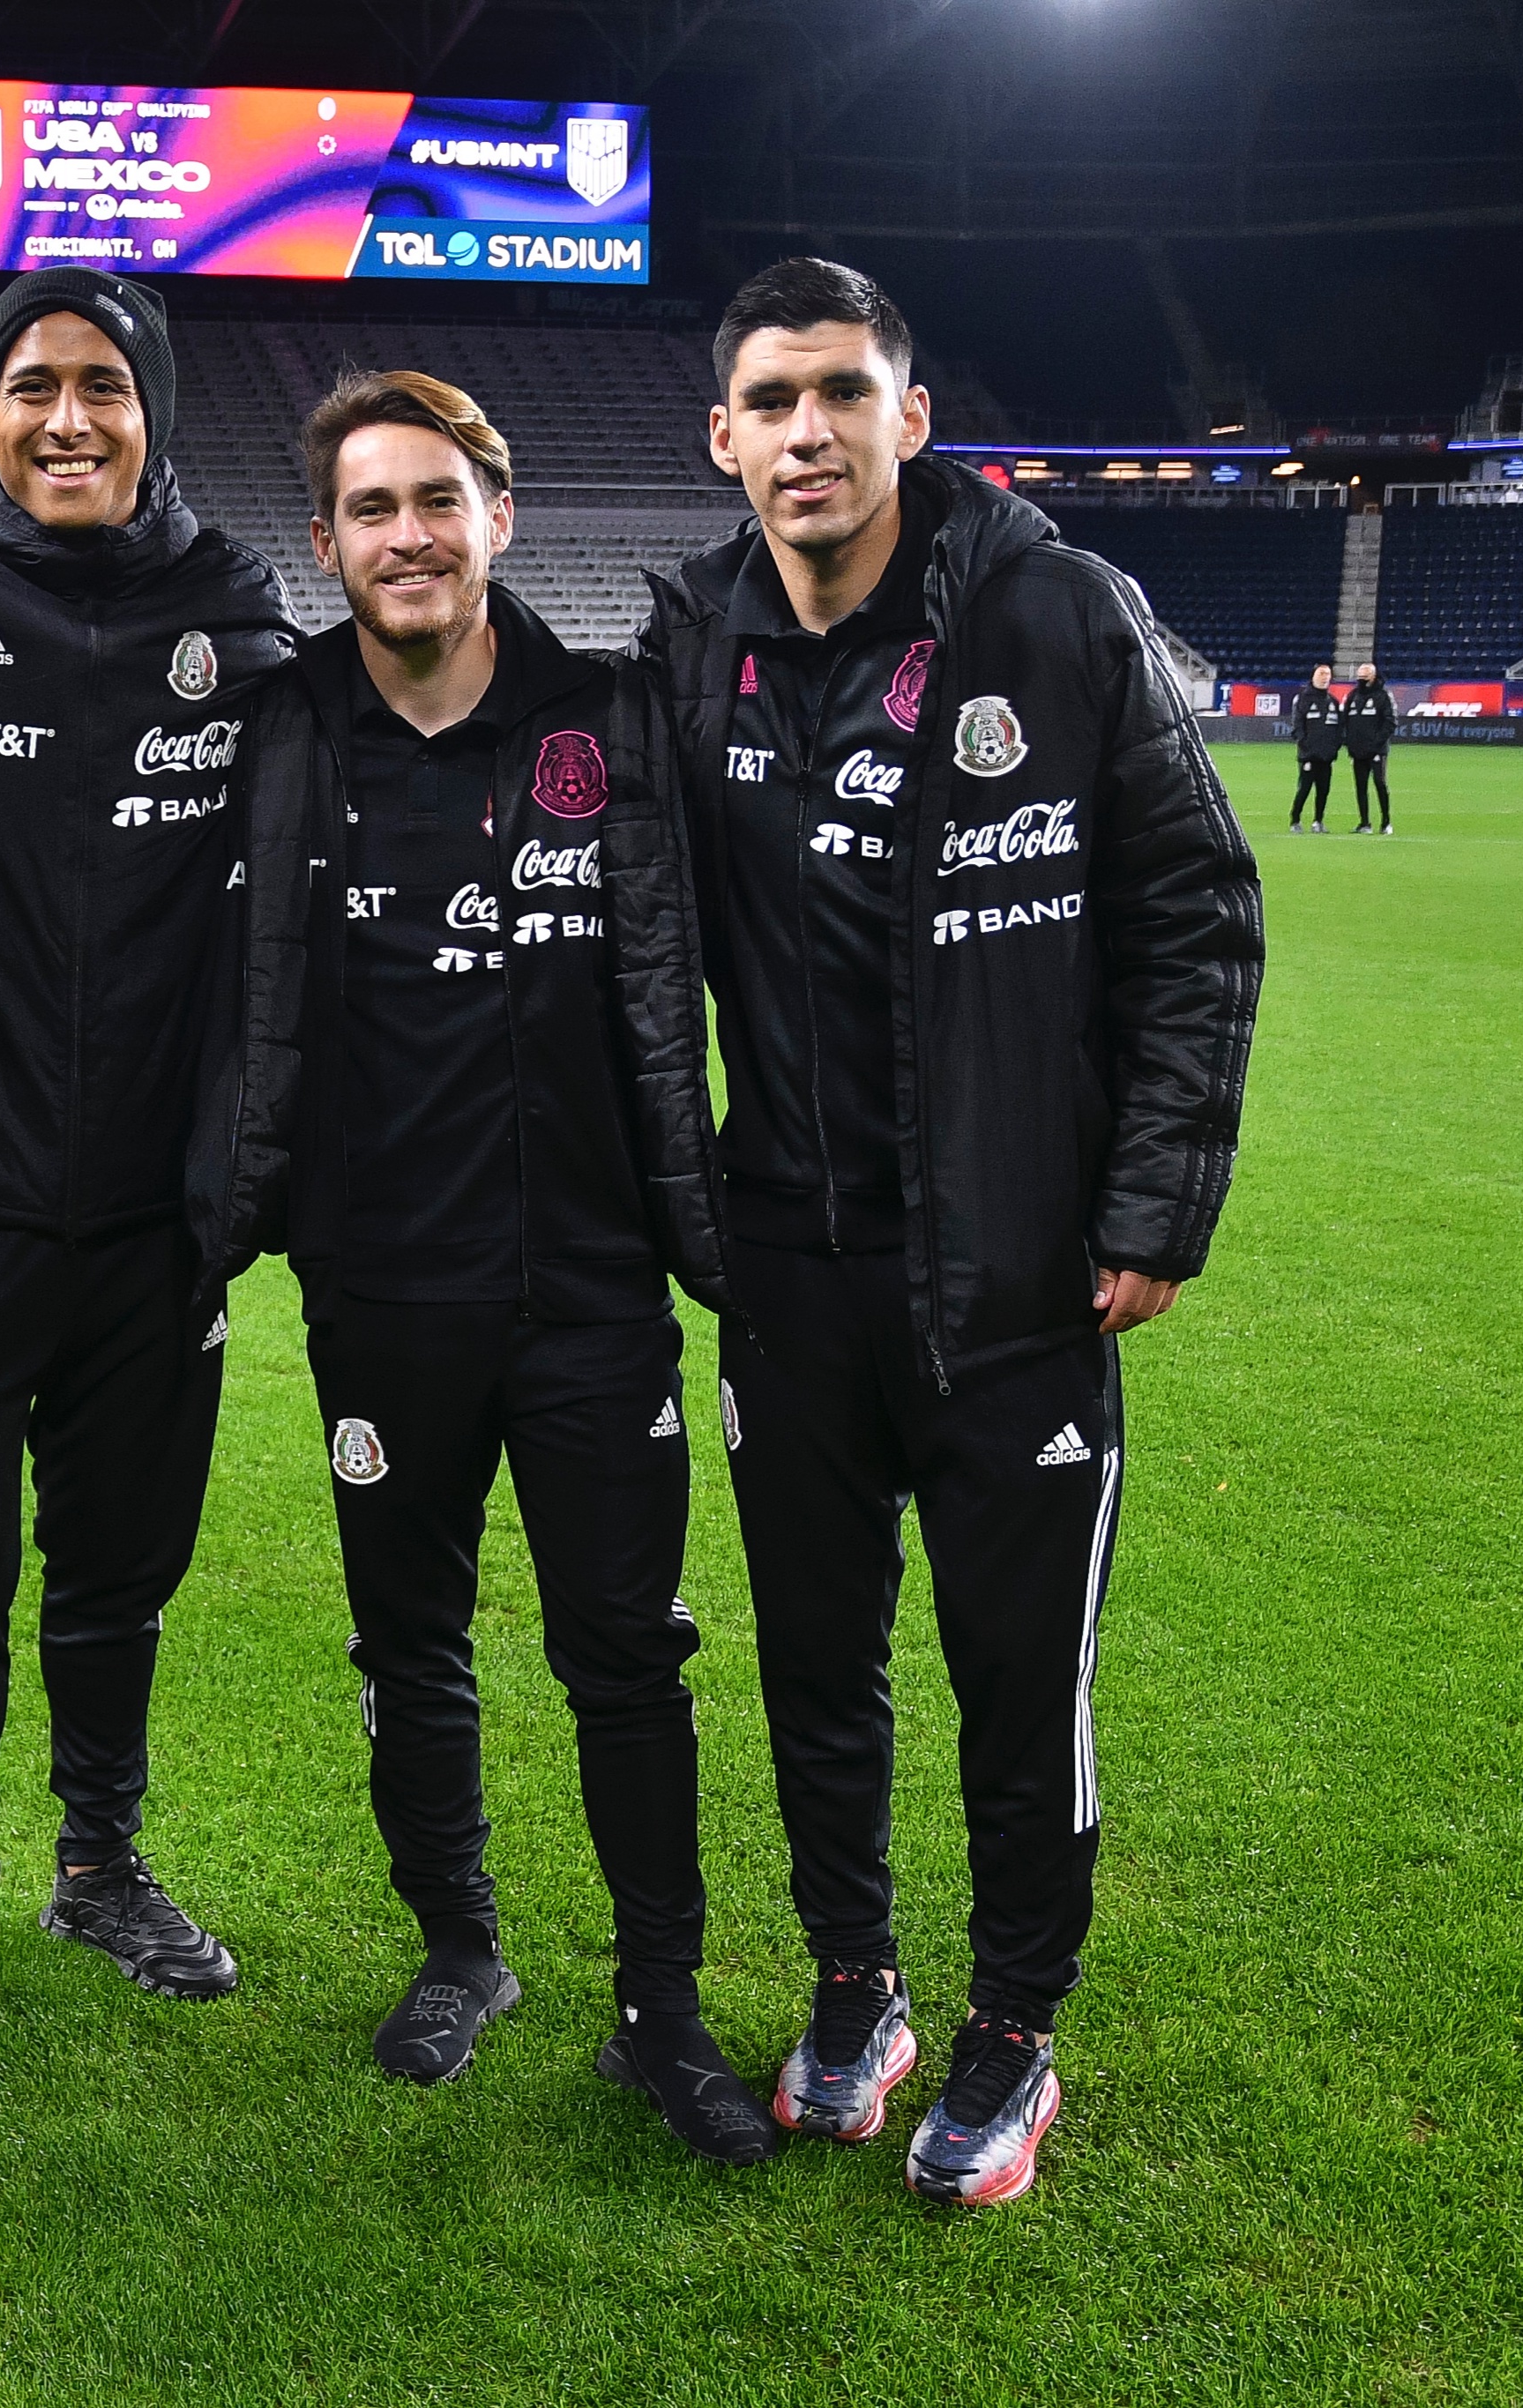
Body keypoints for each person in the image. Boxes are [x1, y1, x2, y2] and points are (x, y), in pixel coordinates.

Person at [634, 258, 1262, 2207]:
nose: (806, 430)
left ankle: (1007, 2026)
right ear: (720, 437)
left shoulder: (1055, 616)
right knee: (814, 1669)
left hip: (1008, 1278)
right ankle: (854, 1986)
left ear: (907, 415)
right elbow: (636, 955)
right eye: (769, 398)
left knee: (1013, 1681)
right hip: (789, 1281)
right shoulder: (687, 649)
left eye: (842, 391)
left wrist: (1152, 1201)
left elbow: (1197, 917)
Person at [190, 369, 775, 2166]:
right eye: (370, 510)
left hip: (592, 1291)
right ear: (326, 544)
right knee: (409, 1645)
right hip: (377, 1293)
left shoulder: (608, 720)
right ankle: (460, 1950)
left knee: (625, 1654)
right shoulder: (284, 725)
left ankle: (658, 2007)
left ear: (495, 518)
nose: (406, 536)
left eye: (435, 500)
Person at [0, 267, 293, 2089]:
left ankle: (97, 1861)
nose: (68, 418)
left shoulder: (226, 607)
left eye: (102, 384)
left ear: (153, 405)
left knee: (115, 1572)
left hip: (151, 1224)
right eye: (31, 388)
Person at [1343, 660, 1395, 832]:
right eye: (1359, 677)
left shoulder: (1383, 696)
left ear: (1373, 677)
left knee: (1380, 783)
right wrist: (1349, 743)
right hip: (1358, 751)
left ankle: (1386, 822)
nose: (1361, 680)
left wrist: (1376, 743)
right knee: (1361, 786)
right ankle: (1364, 823)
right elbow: (1345, 722)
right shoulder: (1353, 696)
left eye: (1365, 677)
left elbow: (1390, 722)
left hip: (1377, 751)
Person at [1287, 661, 1339, 831]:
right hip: (1308, 755)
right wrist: (1305, 747)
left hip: (1326, 756)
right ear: (1314, 676)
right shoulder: (1303, 698)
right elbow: (1297, 726)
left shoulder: (1333, 702)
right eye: (1321, 674)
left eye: (1327, 675)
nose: (1325, 678)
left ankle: (1318, 821)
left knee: (1323, 790)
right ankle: (1295, 820)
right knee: (1304, 789)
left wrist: (1334, 748)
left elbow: (1339, 729)